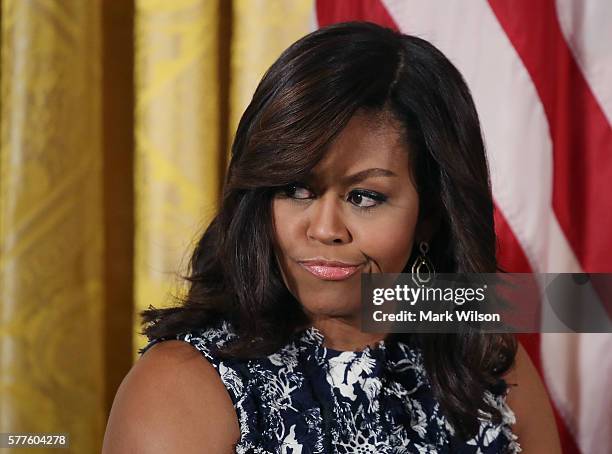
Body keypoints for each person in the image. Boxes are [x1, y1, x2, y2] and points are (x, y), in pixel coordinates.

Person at [102, 21, 562, 453]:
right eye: (296, 189)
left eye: (364, 197)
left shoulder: (483, 355)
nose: (324, 229)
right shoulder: (181, 384)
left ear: (431, 216)